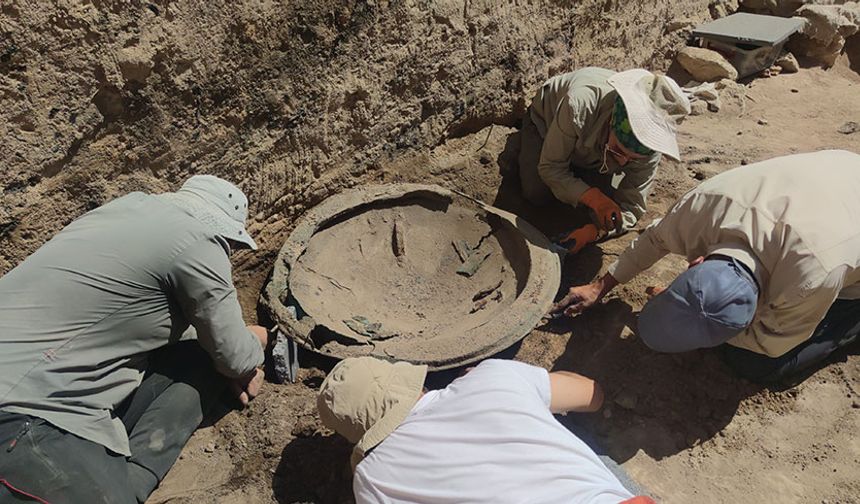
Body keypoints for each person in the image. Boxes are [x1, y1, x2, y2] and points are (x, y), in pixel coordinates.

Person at [0, 175, 269, 503]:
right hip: (27, 419)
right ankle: (122, 484)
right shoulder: (200, 241)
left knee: (197, 355)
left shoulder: (119, 211)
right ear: (224, 232)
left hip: (26, 394)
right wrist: (256, 340)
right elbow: (234, 356)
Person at [550, 150, 860, 383]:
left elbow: (771, 341)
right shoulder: (703, 208)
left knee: (756, 365)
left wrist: (702, 323)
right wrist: (600, 286)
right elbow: (654, 240)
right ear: (697, 262)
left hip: (844, 242)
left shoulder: (814, 278)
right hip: (841, 168)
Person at [317, 356, 655, 504]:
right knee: (593, 458)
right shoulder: (493, 376)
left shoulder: (371, 480)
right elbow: (592, 395)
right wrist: (496, 379)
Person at [518, 67, 690, 253]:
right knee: (536, 192)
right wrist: (595, 198)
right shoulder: (580, 103)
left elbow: (631, 206)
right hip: (548, 121)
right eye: (618, 151)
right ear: (611, 123)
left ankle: (586, 166)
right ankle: (519, 146)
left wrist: (594, 232)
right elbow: (550, 167)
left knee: (604, 213)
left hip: (593, 150)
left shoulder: (649, 148)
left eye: (631, 159)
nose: (622, 163)